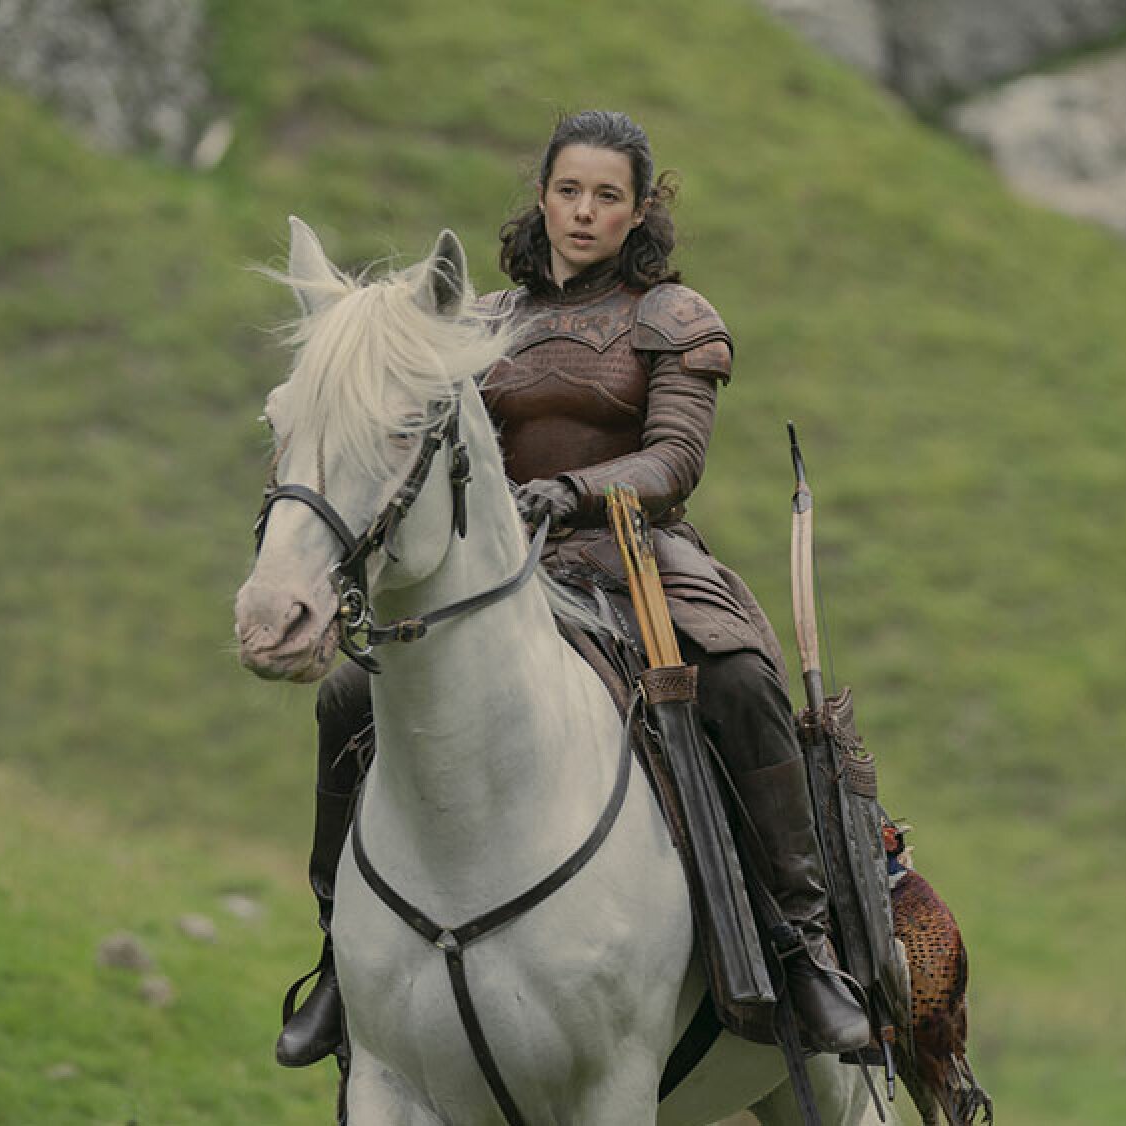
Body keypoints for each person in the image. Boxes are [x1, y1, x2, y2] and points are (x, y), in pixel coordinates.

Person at [274, 109, 872, 1068]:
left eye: (607, 196)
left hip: (637, 553)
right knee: (351, 691)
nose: (583, 212)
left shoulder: (673, 318)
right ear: (542, 198)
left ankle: (804, 951)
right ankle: (344, 961)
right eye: (568, 191)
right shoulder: (477, 322)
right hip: (504, 570)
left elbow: (674, 458)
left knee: (738, 680)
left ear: (639, 215)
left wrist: (570, 492)